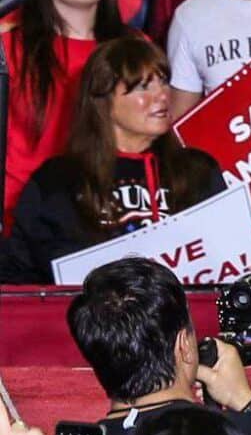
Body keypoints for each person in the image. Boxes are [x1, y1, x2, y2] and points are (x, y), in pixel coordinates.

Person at [0, 37, 232, 280]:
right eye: (143, 86)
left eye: (163, 82)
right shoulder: (58, 181)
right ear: (103, 99)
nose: (162, 96)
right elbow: (18, 275)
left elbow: (230, 251)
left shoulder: (198, 171)